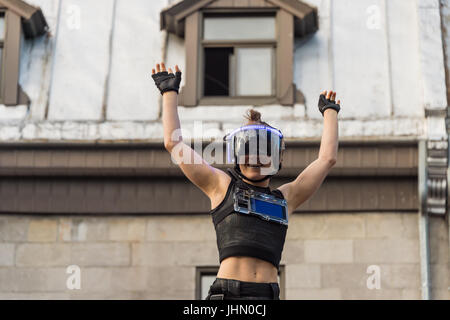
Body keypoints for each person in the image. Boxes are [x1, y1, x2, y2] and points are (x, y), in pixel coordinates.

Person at [151, 62, 340, 300]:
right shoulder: (221, 185)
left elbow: (326, 160)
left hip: (268, 295)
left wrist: (330, 113)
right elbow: (174, 144)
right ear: (237, 154)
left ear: (276, 156)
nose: (255, 158)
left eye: (263, 149)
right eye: (248, 148)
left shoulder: (285, 198)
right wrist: (169, 93)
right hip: (228, 295)